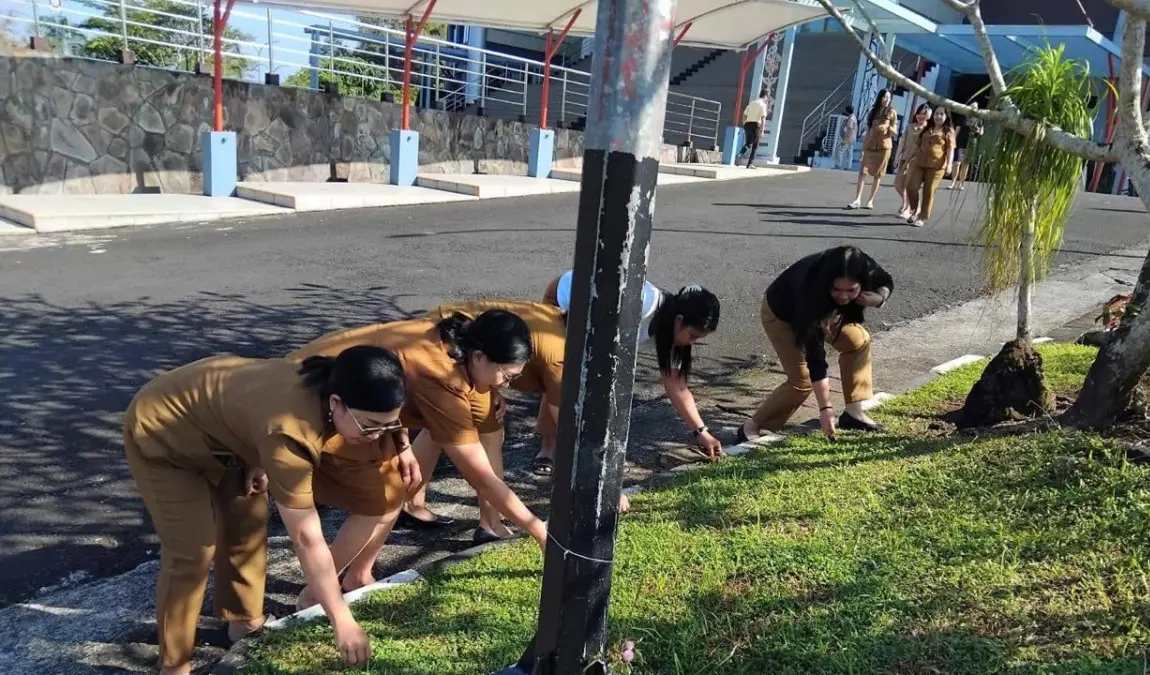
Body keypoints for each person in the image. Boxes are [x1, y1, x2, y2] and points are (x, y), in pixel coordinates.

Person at [124, 345, 414, 675]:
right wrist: (342, 620)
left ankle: (244, 623)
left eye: (388, 426)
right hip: (164, 432)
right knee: (192, 551)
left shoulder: (332, 391)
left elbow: (250, 416)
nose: (376, 435)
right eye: (370, 426)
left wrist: (255, 457)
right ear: (337, 403)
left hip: (224, 436)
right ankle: (174, 663)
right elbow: (306, 537)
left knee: (247, 522)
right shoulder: (290, 430)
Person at [290, 311, 549, 546]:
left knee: (392, 488)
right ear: (479, 356)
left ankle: (358, 576)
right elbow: (481, 476)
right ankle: (320, 592)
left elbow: (399, 380)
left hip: (339, 393)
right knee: (380, 499)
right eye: (507, 376)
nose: (506, 385)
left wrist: (402, 444)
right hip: (309, 400)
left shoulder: (458, 335)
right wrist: (537, 529)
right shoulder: (442, 379)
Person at [543, 272, 724, 467]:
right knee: (561, 376)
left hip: (598, 316)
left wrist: (701, 432)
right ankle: (548, 447)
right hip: (566, 298)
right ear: (679, 320)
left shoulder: (670, 331)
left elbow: (677, 386)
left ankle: (586, 452)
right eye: (693, 336)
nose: (691, 343)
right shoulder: (643, 304)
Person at [738, 246, 894, 442]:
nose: (844, 296)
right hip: (782, 315)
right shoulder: (809, 290)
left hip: (827, 313)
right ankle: (752, 426)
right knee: (801, 380)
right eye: (836, 289)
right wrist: (825, 408)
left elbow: (886, 281)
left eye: (851, 290)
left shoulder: (862, 265)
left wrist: (879, 298)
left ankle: (854, 414)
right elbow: (816, 358)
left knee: (858, 341)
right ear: (827, 282)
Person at [905, 106, 955, 227]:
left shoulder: (948, 131)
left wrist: (949, 165)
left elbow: (950, 149)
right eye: (936, 113)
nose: (938, 116)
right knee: (911, 187)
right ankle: (914, 210)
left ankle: (922, 217)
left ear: (946, 116)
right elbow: (916, 146)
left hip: (936, 166)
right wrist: (907, 159)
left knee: (928, 191)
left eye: (941, 114)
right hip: (920, 163)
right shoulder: (927, 129)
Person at [847, 89, 897, 210]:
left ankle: (870, 200)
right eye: (884, 97)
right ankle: (857, 199)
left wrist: (888, 126)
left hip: (884, 146)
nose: (886, 100)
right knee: (862, 172)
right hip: (870, 145)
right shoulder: (872, 112)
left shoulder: (892, 112)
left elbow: (895, 131)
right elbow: (868, 131)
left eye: (889, 98)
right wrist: (863, 150)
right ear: (880, 97)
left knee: (877, 175)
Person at [894, 103, 931, 220]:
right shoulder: (910, 126)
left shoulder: (927, 130)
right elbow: (902, 142)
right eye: (919, 114)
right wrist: (897, 157)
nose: (921, 116)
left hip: (916, 161)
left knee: (909, 185)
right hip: (904, 157)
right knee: (898, 184)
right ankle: (906, 203)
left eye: (924, 115)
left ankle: (908, 209)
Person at [949, 102, 983, 191]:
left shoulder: (979, 119)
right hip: (961, 141)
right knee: (957, 163)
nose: (972, 109)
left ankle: (961, 184)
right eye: (971, 107)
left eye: (975, 107)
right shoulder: (962, 117)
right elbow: (957, 130)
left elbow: (982, 132)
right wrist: (953, 141)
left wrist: (979, 131)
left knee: (965, 164)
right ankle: (953, 182)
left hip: (971, 142)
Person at [738, 89, 770, 169]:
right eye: (767, 97)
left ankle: (739, 154)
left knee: (748, 143)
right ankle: (750, 164)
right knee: (755, 145)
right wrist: (762, 130)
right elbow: (763, 118)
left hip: (748, 124)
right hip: (756, 125)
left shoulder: (752, 103)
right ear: (765, 96)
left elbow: (744, 114)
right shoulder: (763, 105)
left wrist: (744, 123)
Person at [836, 105, 857, 170]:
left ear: (847, 111)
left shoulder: (850, 119)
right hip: (853, 139)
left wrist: (845, 140)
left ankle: (838, 165)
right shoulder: (854, 118)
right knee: (850, 153)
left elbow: (849, 130)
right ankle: (848, 167)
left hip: (848, 139)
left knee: (840, 150)